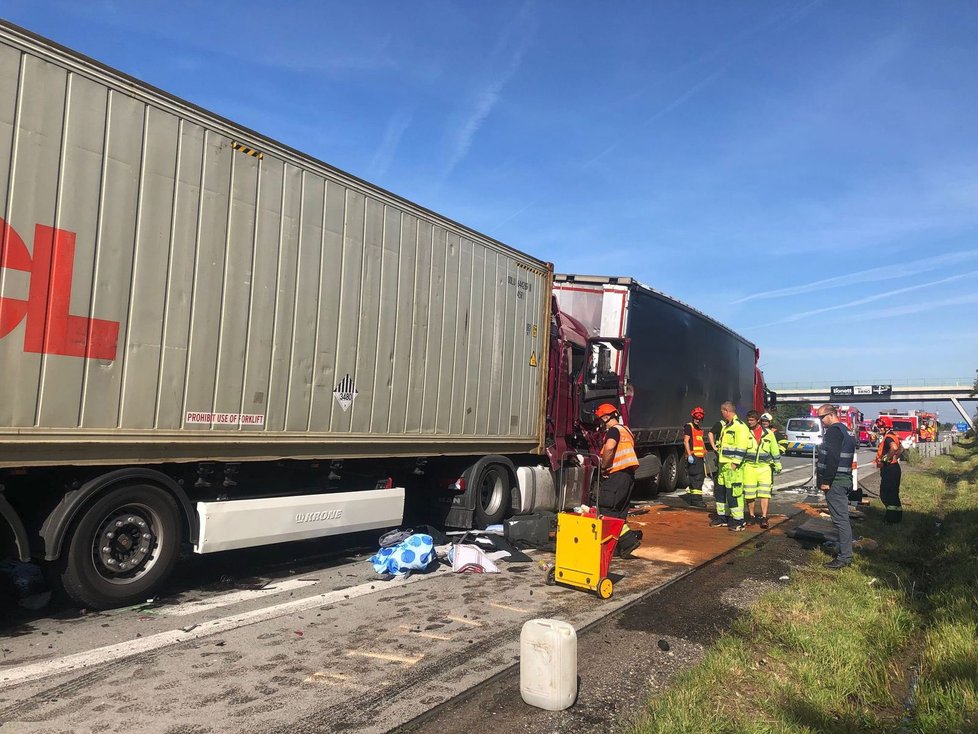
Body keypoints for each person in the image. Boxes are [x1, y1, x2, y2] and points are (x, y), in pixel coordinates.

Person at [594, 403, 643, 557]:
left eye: (601, 420)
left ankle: (628, 541)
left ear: (607, 417)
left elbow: (609, 448)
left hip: (616, 476)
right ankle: (617, 548)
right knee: (619, 513)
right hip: (628, 477)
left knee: (607, 511)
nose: (601, 424)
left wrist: (604, 467)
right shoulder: (626, 430)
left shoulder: (613, 431)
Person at [815, 404, 857, 569]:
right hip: (844, 480)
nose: (821, 421)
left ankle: (845, 557)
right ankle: (845, 552)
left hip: (836, 482)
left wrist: (826, 481)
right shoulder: (846, 431)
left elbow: (832, 457)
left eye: (821, 417)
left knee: (840, 520)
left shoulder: (833, 431)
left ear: (831, 415)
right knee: (842, 519)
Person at [713, 401, 750, 531]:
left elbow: (742, 446)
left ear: (726, 411)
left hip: (732, 466)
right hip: (723, 465)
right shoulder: (727, 426)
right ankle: (722, 517)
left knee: (734, 494)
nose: (722, 414)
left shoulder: (740, 427)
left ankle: (738, 520)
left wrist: (735, 462)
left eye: (722, 412)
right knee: (721, 492)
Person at [751, 412, 782, 528]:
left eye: (767, 421)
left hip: (767, 466)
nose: (764, 423)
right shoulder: (750, 432)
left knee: (765, 492)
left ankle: (764, 517)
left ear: (770, 422)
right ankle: (752, 516)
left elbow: (780, 446)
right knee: (750, 492)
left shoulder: (773, 433)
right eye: (763, 421)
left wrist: (776, 460)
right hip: (751, 467)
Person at [875, 420, 905, 524]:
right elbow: (901, 448)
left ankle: (890, 519)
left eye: (880, 427)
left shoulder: (888, 437)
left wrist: (886, 458)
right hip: (894, 468)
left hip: (889, 469)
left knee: (886, 494)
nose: (879, 429)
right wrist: (895, 457)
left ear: (886, 427)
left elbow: (895, 447)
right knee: (893, 494)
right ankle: (896, 518)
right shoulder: (893, 436)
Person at [682, 406, 708, 507]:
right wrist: (689, 455)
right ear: (693, 417)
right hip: (693, 457)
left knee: (698, 478)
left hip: (699, 457)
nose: (698, 420)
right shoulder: (689, 427)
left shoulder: (699, 429)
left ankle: (694, 499)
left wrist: (704, 451)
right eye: (696, 418)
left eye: (699, 418)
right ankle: (697, 500)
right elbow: (686, 441)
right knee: (697, 478)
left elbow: (699, 442)